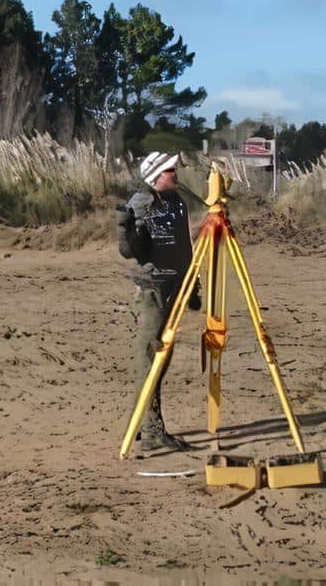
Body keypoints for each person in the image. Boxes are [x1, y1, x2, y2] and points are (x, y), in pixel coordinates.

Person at [117, 151, 201, 454]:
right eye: (169, 170)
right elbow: (130, 251)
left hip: (175, 285)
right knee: (151, 359)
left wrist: (193, 286)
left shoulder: (176, 203)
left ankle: (143, 424)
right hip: (153, 289)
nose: (175, 174)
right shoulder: (141, 202)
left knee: (159, 360)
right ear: (155, 176)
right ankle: (149, 430)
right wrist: (126, 231)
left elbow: (184, 246)